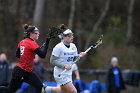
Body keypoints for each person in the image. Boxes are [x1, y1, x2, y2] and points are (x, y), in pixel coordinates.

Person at [1, 24, 51, 93]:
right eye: (36, 33)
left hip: (25, 72)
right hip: (21, 72)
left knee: (39, 86)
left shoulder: (22, 41)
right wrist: (47, 43)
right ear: (31, 34)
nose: (38, 34)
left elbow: (18, 55)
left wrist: (30, 55)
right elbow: (43, 55)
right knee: (10, 91)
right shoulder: (32, 43)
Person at [46, 24, 86, 93]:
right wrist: (64, 65)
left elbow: (74, 60)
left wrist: (79, 55)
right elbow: (52, 61)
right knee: (73, 91)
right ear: (63, 37)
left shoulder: (73, 46)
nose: (72, 37)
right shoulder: (58, 47)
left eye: (72, 35)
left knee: (63, 92)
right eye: (69, 36)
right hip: (60, 73)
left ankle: (47, 89)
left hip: (68, 74)